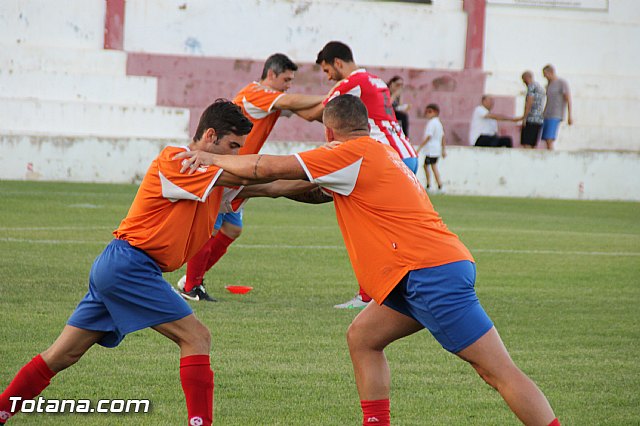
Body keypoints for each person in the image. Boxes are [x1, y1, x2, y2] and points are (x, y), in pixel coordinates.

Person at [174, 94, 562, 426]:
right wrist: (242, 190)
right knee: (363, 337)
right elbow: (297, 188)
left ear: (329, 132)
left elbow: (266, 167)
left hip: (427, 272)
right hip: (420, 273)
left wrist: (206, 160)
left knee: (496, 371)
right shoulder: (377, 152)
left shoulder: (350, 153)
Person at [0, 99, 318, 426]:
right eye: (232, 146)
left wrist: (333, 186)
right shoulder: (177, 160)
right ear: (210, 136)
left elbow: (275, 186)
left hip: (123, 267)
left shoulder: (216, 178)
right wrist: (318, 163)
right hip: (130, 265)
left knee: (62, 354)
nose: (235, 155)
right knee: (197, 337)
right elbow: (258, 172)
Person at [177, 53, 326, 302]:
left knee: (233, 228)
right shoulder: (255, 93)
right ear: (271, 75)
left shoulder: (272, 101)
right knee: (212, 227)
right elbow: (293, 100)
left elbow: (308, 113)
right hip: (228, 166)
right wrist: (332, 96)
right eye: (286, 79)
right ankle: (191, 286)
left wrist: (338, 113)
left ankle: (192, 280)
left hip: (241, 170)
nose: (289, 85)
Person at [314, 40, 419, 309]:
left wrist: (281, 104)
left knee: (365, 228)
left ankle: (369, 295)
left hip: (383, 159)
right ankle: (398, 286)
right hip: (404, 153)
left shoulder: (349, 82)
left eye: (327, 71)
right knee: (393, 230)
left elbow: (318, 111)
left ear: (338, 63)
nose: (328, 78)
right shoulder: (375, 79)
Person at [542, 64, 573, 150]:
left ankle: (551, 156)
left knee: (550, 138)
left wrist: (570, 116)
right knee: (545, 138)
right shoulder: (549, 85)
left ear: (551, 72)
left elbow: (568, 99)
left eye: (546, 74)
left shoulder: (561, 83)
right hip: (547, 114)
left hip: (556, 114)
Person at [417, 103, 446, 193]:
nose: (427, 114)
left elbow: (429, 136)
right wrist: (443, 149)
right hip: (435, 149)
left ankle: (437, 185)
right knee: (428, 166)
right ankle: (433, 185)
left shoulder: (432, 123)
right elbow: (443, 137)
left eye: (430, 112)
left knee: (431, 166)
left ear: (435, 112)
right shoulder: (438, 123)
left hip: (431, 149)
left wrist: (420, 147)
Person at [516, 71, 546, 149]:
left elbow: (529, 102)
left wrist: (524, 118)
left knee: (527, 143)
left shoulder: (531, 86)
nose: (524, 83)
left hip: (531, 118)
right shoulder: (540, 87)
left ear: (527, 78)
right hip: (539, 118)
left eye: (523, 80)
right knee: (533, 143)